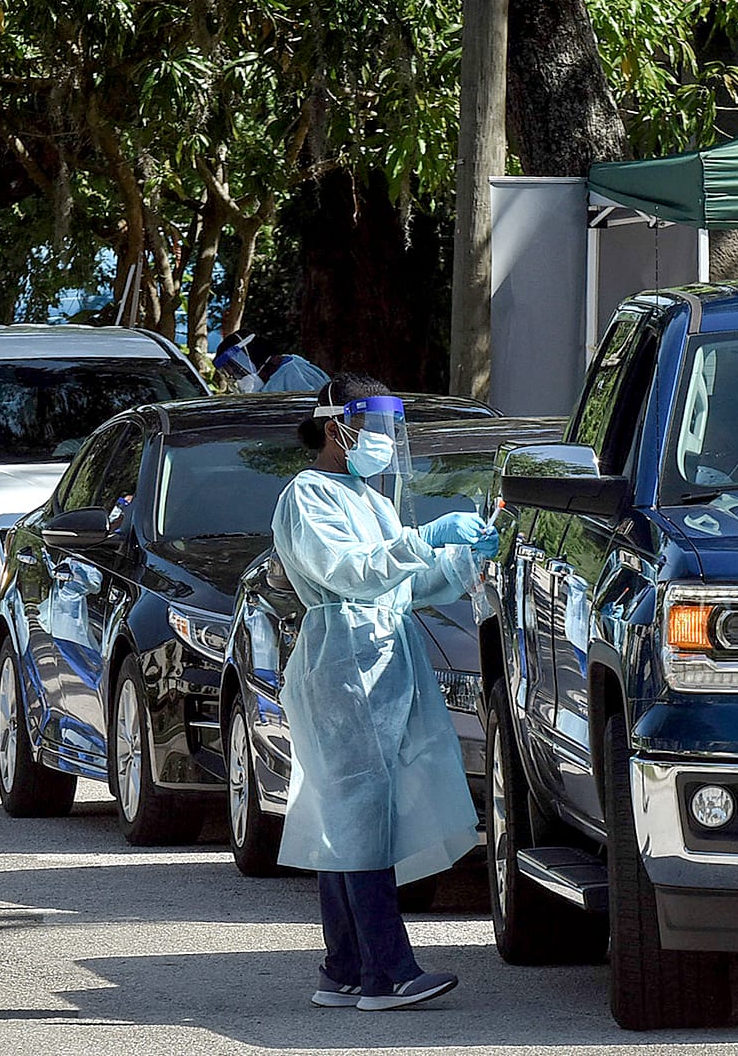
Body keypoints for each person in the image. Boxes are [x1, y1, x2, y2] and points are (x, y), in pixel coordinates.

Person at [271, 374, 495, 1012]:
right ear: (336, 429)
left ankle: (344, 968)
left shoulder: (370, 498)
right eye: (373, 430)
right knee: (359, 811)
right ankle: (389, 973)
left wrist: (464, 560)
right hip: (344, 661)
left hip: (380, 658)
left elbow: (402, 585)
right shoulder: (307, 495)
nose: (385, 444)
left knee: (353, 812)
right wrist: (427, 538)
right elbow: (351, 572)